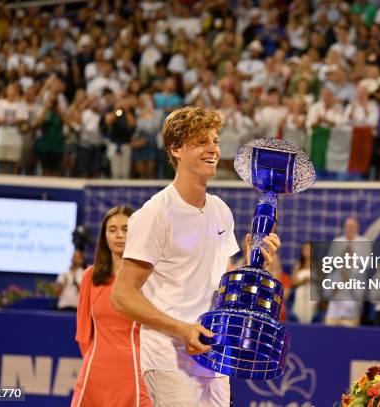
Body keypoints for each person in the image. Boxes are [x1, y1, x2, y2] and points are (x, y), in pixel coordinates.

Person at [111, 107, 281, 406]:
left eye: (215, 140)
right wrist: (182, 329)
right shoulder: (154, 214)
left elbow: (220, 284)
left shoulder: (221, 210)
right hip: (168, 356)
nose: (213, 148)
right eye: (201, 141)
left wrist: (255, 264)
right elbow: (122, 295)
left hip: (215, 352)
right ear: (176, 149)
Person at [71, 205, 151, 407]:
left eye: (126, 229)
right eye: (112, 229)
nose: (119, 235)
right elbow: (83, 333)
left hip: (134, 372)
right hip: (95, 372)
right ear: (104, 236)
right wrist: (94, 361)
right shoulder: (90, 276)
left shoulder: (149, 278)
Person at [291, 242, 316, 324]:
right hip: (300, 293)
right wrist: (303, 281)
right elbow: (293, 282)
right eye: (305, 250)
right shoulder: (298, 265)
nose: (307, 252)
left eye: (309, 250)